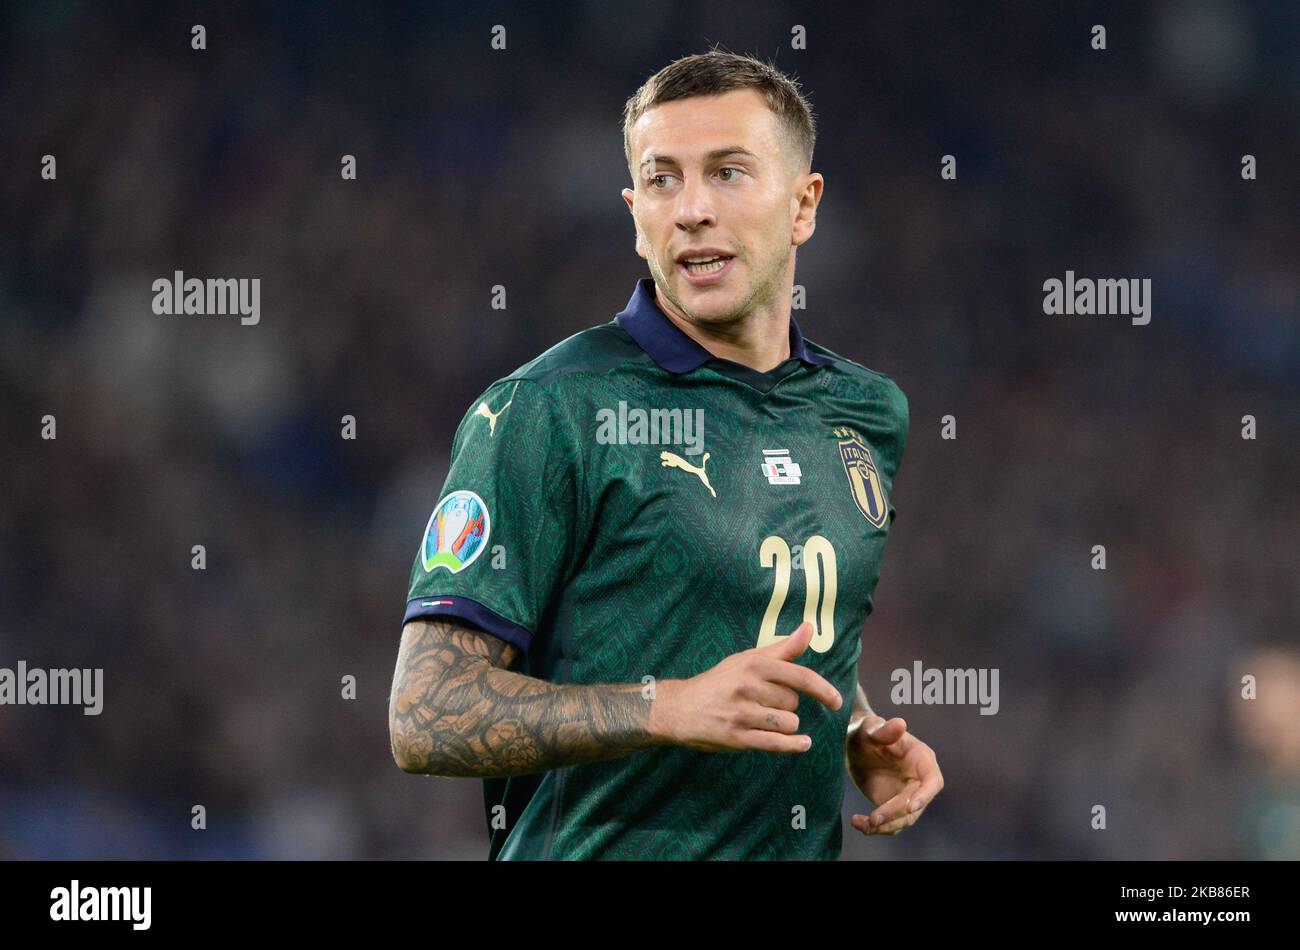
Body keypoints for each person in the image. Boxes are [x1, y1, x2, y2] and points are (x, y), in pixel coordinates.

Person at [388, 49, 942, 860]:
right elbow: (423, 714)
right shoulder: (551, 410)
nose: (691, 210)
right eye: (661, 179)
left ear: (803, 205)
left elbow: (770, 611)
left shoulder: (866, 413)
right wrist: (665, 707)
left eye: (727, 173)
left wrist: (853, 725)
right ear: (634, 213)